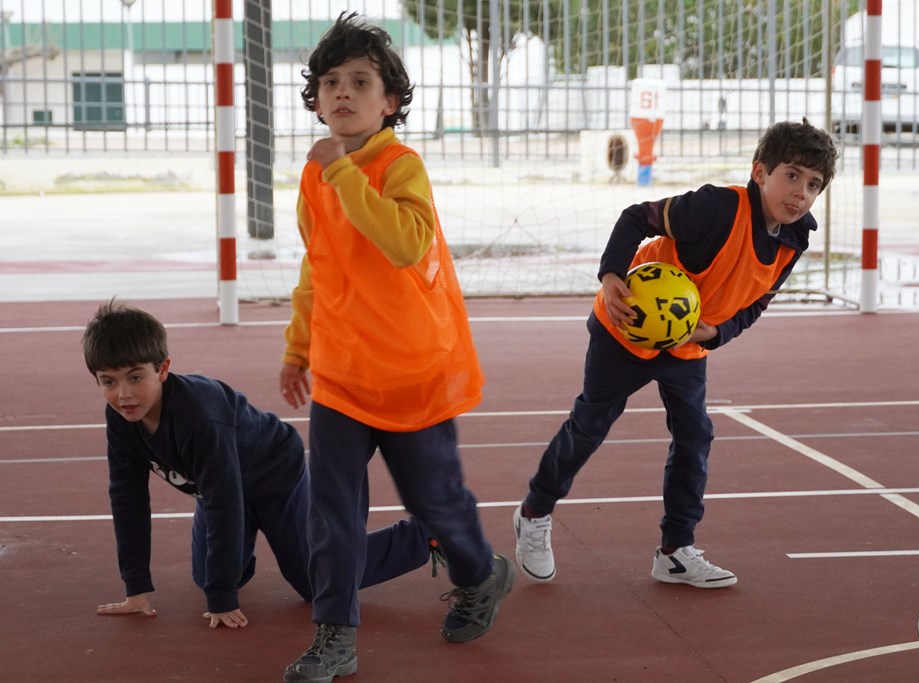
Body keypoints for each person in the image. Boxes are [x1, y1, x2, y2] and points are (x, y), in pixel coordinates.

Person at [278, 12, 513, 682]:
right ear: (317, 98)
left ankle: (479, 572)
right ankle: (334, 634)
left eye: (360, 81)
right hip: (343, 375)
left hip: (415, 373)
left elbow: (406, 242)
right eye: (331, 81)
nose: (343, 92)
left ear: (390, 102)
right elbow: (318, 266)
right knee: (331, 511)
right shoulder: (314, 175)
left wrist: (344, 176)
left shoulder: (398, 165)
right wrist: (298, 345)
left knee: (436, 505)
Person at [513, 119, 839, 588]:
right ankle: (534, 512)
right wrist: (611, 277)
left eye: (813, 185)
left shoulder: (796, 235)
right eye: (791, 175)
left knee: (694, 436)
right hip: (625, 332)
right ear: (760, 171)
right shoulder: (717, 207)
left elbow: (757, 301)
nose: (801, 193)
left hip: (687, 345)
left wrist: (719, 333)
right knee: (590, 425)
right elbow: (636, 216)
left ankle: (675, 550)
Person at [82, 301, 433, 630]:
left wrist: (221, 600)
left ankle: (425, 536)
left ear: (163, 369)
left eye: (135, 377)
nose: (123, 395)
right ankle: (238, 556)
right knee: (209, 576)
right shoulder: (122, 419)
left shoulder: (200, 417)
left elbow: (224, 503)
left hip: (274, 473)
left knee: (314, 582)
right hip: (221, 483)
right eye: (108, 382)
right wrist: (136, 587)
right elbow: (127, 499)